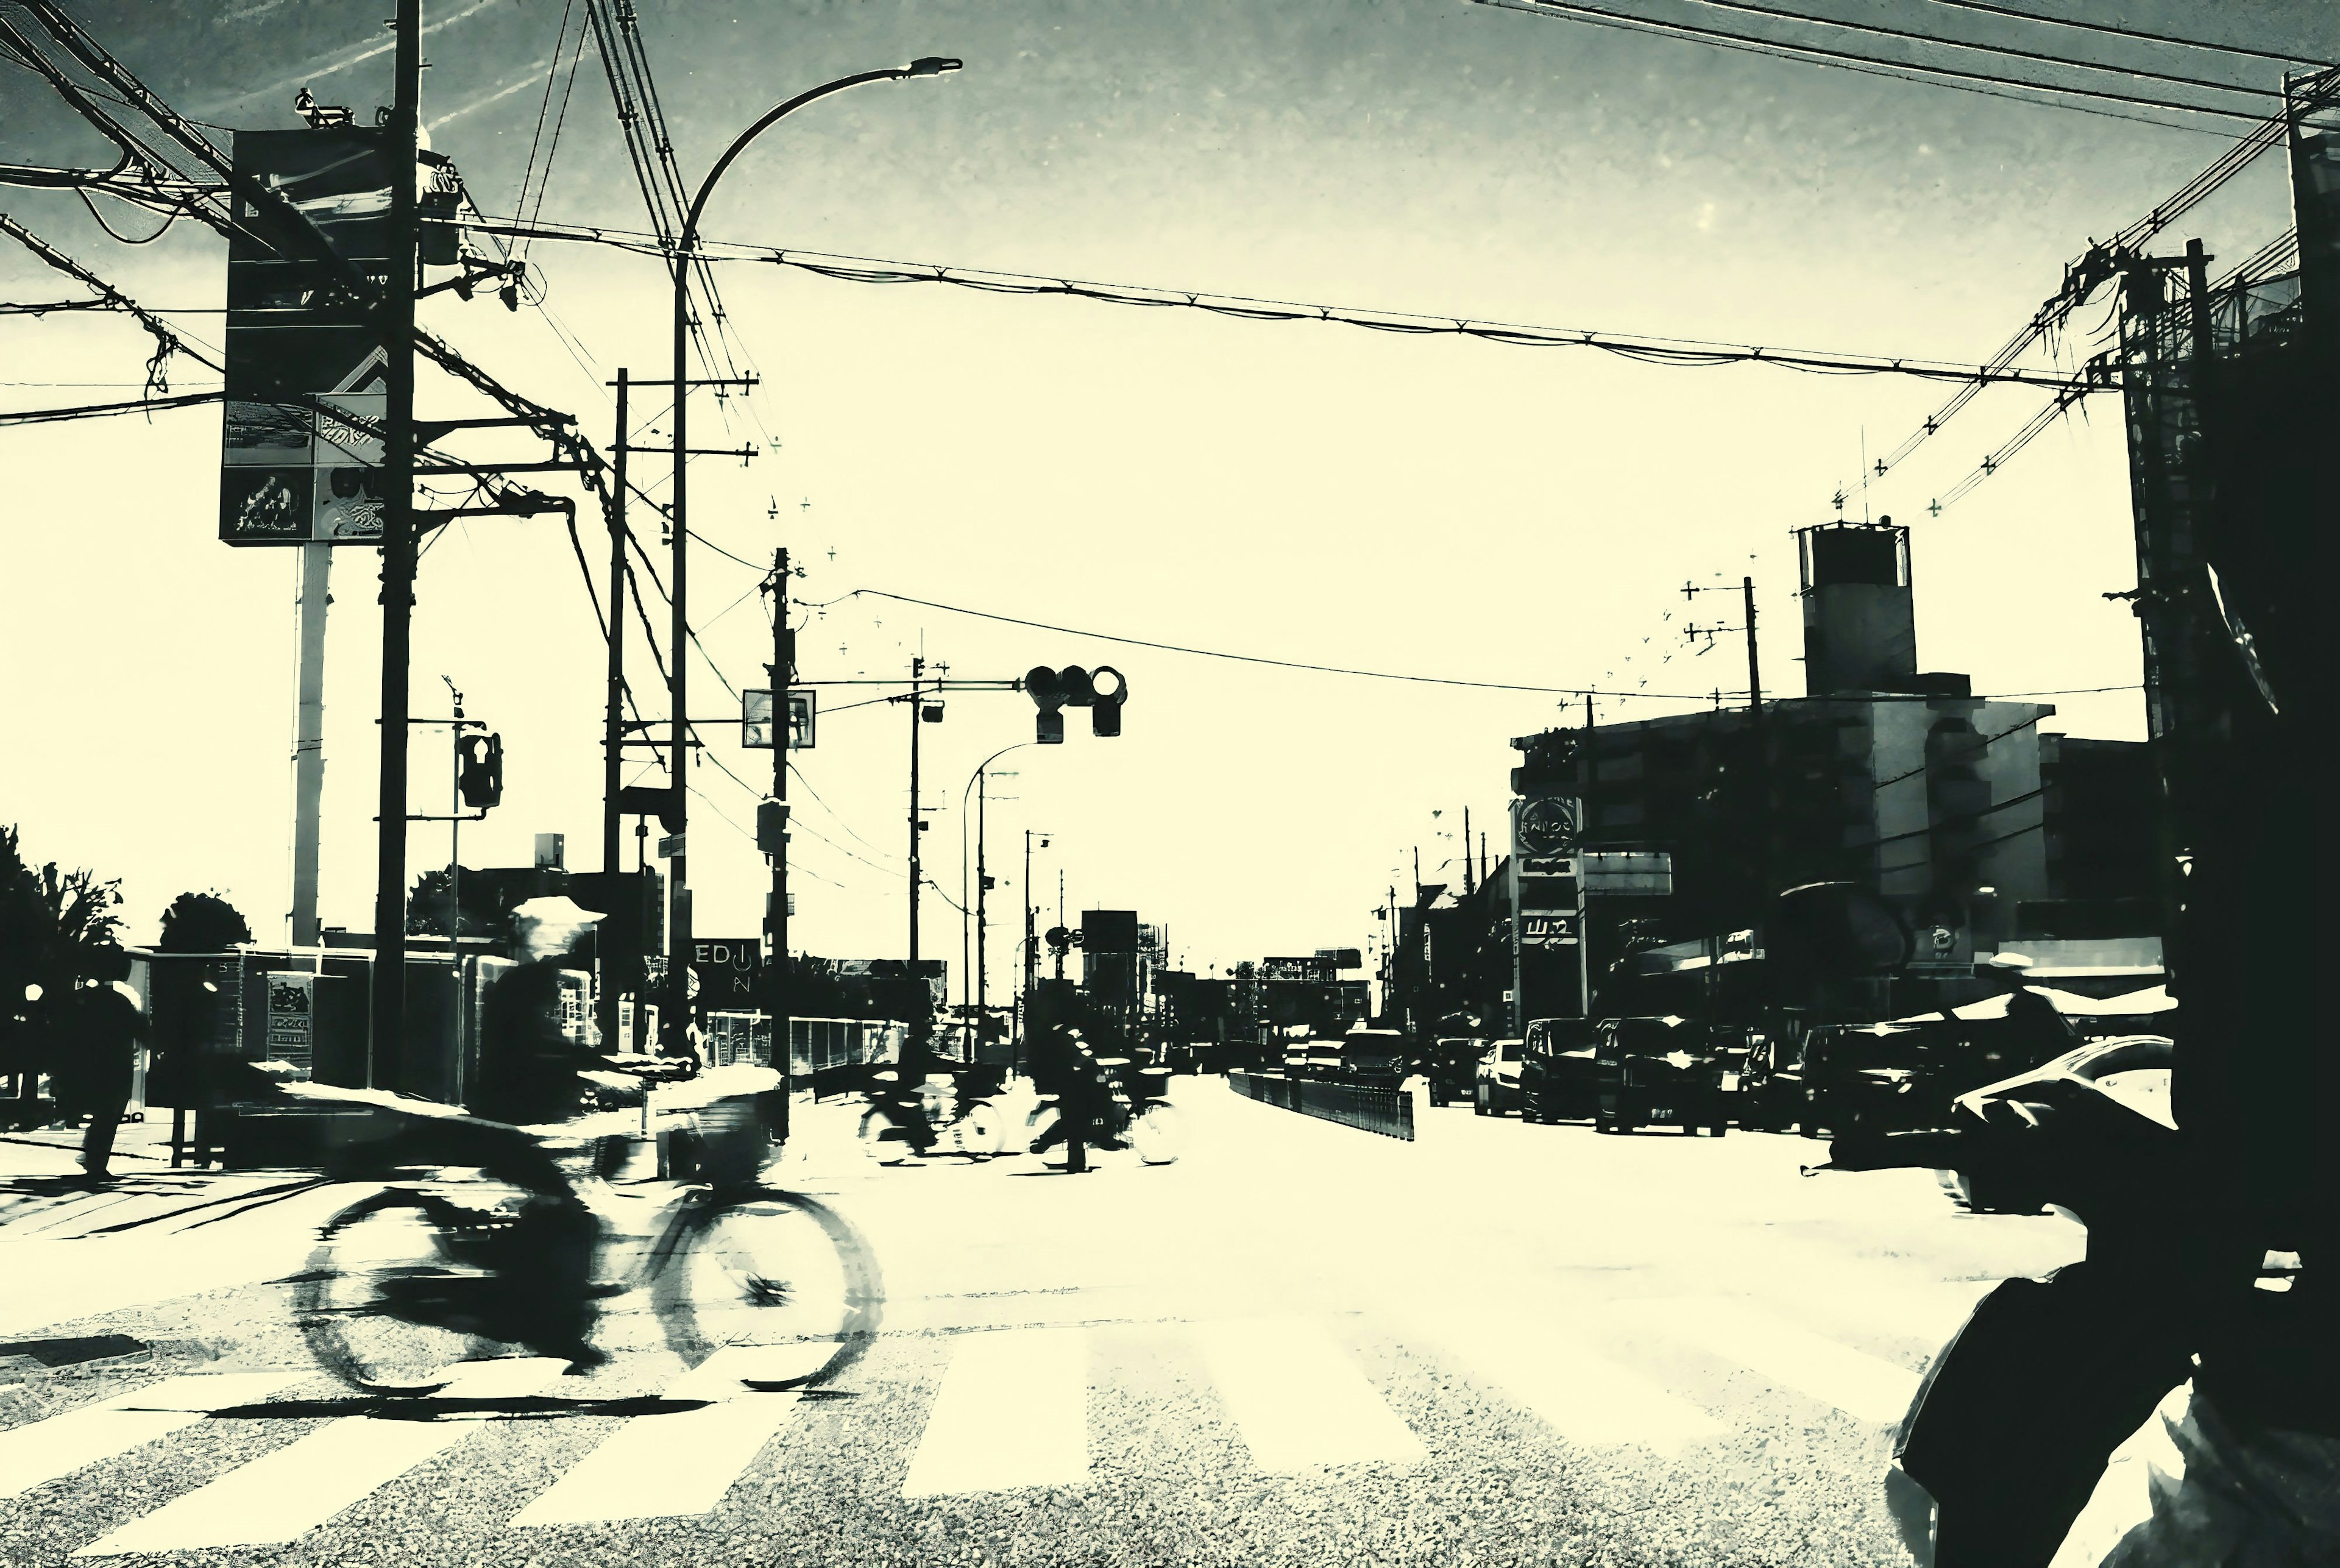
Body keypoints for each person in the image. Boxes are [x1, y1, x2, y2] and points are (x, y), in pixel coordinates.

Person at [57, 949, 144, 1181]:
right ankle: (96, 1161)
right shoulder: (119, 1001)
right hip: (116, 1064)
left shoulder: (84, 999)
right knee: (109, 1114)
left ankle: (92, 1158)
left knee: (101, 1112)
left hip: (88, 1063)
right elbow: (140, 1029)